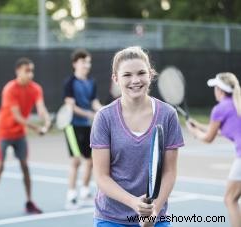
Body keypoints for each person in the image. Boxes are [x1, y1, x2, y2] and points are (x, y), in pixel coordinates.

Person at [90, 46, 184, 227]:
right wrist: (135, 204)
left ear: (150, 75)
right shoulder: (104, 117)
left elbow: (170, 172)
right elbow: (102, 177)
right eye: (127, 75)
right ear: (116, 79)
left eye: (141, 73)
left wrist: (153, 211)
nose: (135, 80)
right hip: (111, 218)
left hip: (156, 217)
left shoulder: (168, 115)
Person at [0, 57, 51, 220]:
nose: (30, 74)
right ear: (18, 71)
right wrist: (36, 128)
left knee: (25, 166)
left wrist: (47, 120)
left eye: (32, 70)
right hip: (3, 132)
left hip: (19, 134)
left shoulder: (36, 88)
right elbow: (17, 116)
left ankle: (29, 201)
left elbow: (41, 108)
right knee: (0, 166)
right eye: (27, 71)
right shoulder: (10, 89)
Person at [186, 72, 241, 227]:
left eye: (215, 88)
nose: (214, 91)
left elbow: (209, 138)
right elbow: (220, 130)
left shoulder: (220, 109)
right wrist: (198, 126)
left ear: (220, 90)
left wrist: (195, 133)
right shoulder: (237, 105)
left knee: (230, 199)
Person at [63, 49, 102, 210]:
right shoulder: (70, 82)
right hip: (72, 126)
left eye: (88, 62)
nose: (87, 65)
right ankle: (71, 196)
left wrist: (103, 111)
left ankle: (85, 192)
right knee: (76, 161)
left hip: (88, 126)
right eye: (83, 61)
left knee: (91, 161)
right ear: (75, 64)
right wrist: (90, 114)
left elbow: (94, 102)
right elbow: (70, 106)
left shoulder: (91, 82)